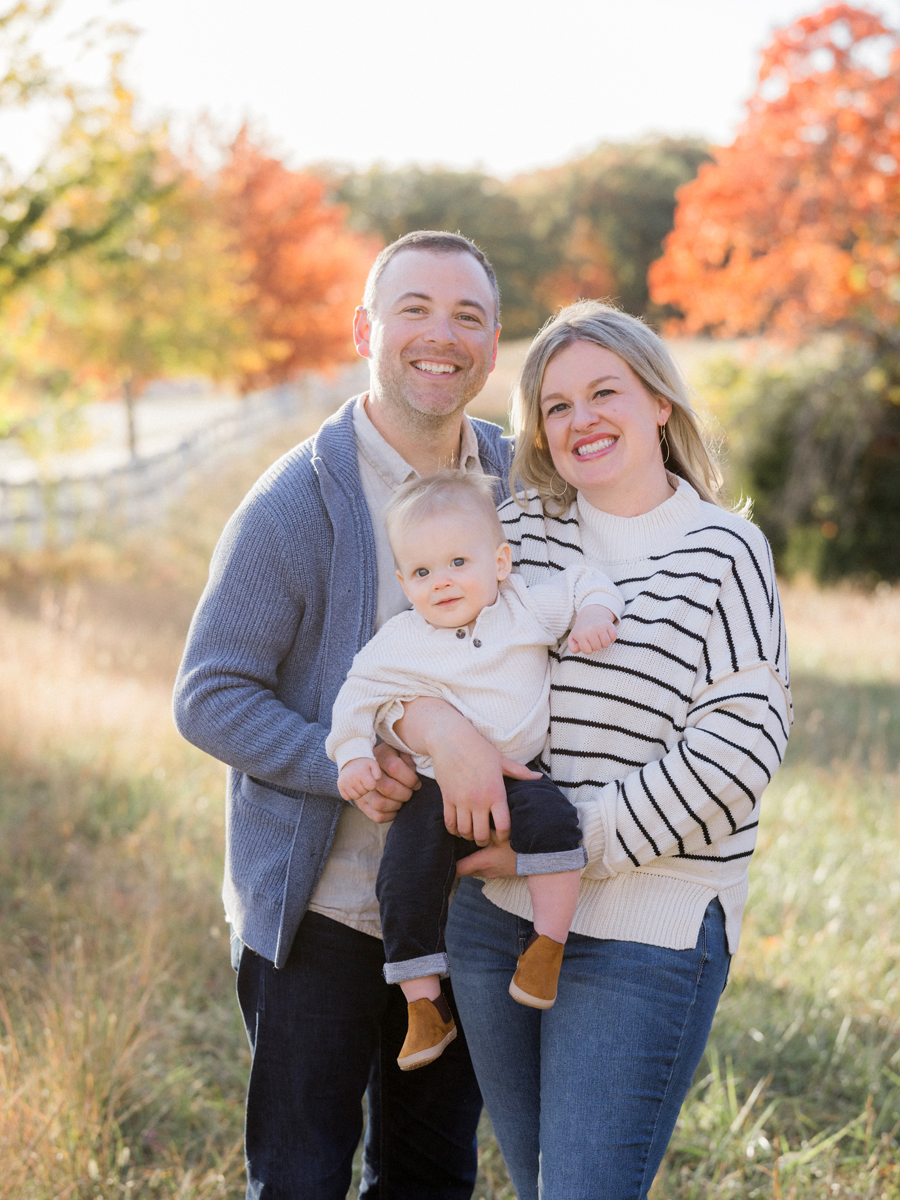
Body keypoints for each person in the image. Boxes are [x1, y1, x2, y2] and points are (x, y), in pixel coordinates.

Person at [391, 301, 793, 1200]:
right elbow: (416, 654)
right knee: (538, 1184)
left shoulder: (725, 552)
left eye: (604, 391)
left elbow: (736, 753)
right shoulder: (520, 534)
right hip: (494, 921)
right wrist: (433, 725)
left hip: (645, 930)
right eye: (558, 405)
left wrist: (570, 839)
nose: (583, 420)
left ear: (659, 402)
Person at [172, 231, 528, 1199]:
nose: (440, 335)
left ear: (494, 346)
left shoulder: (520, 490)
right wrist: (343, 764)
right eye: (413, 308)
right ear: (365, 328)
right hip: (322, 914)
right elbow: (207, 693)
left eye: (467, 316)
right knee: (298, 1180)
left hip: (466, 910)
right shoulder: (298, 501)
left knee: (428, 1177)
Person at [326, 469, 622, 1070]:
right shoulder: (402, 641)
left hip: (523, 774)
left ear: (500, 561)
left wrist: (594, 613)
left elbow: (586, 581)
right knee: (403, 876)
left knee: (557, 829)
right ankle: (424, 1006)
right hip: (435, 789)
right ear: (406, 582)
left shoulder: (523, 609)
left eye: (459, 562)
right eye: (424, 572)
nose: (443, 583)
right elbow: (355, 697)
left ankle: (547, 948)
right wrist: (353, 755)